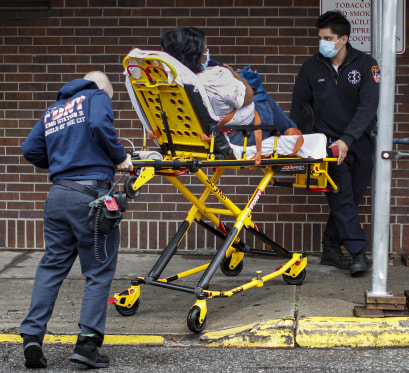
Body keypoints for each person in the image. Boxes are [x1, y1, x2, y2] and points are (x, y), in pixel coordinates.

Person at [19, 71, 134, 369]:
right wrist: (120, 156)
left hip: (58, 196)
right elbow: (97, 123)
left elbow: (29, 149)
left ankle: (32, 335)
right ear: (103, 90)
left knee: (52, 265)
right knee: (98, 270)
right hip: (90, 198)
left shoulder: (55, 109)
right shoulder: (96, 96)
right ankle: (87, 344)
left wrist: (63, 161)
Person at [290, 11, 380, 276]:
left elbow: (367, 107)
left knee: (351, 198)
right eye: (320, 38)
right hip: (326, 144)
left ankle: (330, 247)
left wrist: (348, 140)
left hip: (359, 141)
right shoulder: (310, 68)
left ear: (344, 39)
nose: (322, 43)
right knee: (341, 197)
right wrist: (300, 138)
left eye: (328, 38)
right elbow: (299, 107)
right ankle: (357, 252)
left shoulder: (366, 65)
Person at [160, 26, 301, 151]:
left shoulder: (169, 81)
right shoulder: (216, 77)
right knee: (263, 100)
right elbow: (249, 95)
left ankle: (290, 132)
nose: (208, 52)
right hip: (236, 137)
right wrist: (232, 73)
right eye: (206, 49)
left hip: (192, 138)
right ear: (196, 53)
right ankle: (294, 136)